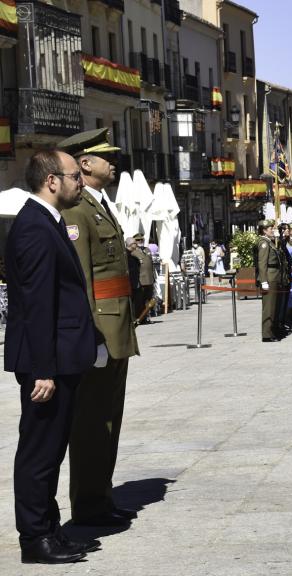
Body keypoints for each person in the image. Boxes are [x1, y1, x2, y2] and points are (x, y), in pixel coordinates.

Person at [6, 150, 104, 563]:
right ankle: (35, 539)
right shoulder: (34, 227)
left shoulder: (48, 222)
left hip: (61, 358)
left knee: (52, 449)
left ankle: (50, 529)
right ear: (51, 181)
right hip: (47, 364)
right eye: (73, 176)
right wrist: (43, 369)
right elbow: (36, 304)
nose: (79, 181)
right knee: (39, 453)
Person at [57, 128, 139, 527]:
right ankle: (88, 505)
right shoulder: (76, 210)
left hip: (117, 325)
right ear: (85, 163)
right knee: (92, 422)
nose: (114, 162)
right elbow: (81, 279)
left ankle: (101, 497)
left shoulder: (98, 204)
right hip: (100, 329)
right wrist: (89, 336)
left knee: (110, 419)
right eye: (107, 156)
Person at [256, 220, 284, 341]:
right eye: (270, 228)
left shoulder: (270, 242)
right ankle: (267, 334)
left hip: (275, 276)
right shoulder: (264, 243)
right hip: (269, 277)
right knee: (269, 308)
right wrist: (263, 281)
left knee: (275, 307)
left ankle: (273, 330)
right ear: (264, 230)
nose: (272, 230)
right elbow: (262, 263)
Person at [128, 233, 155, 323]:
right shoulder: (133, 253)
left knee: (149, 300)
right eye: (138, 240)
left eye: (141, 240)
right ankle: (141, 318)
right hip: (141, 280)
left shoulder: (147, 250)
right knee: (141, 301)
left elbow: (151, 264)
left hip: (150, 279)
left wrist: (154, 277)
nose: (140, 242)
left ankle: (147, 317)